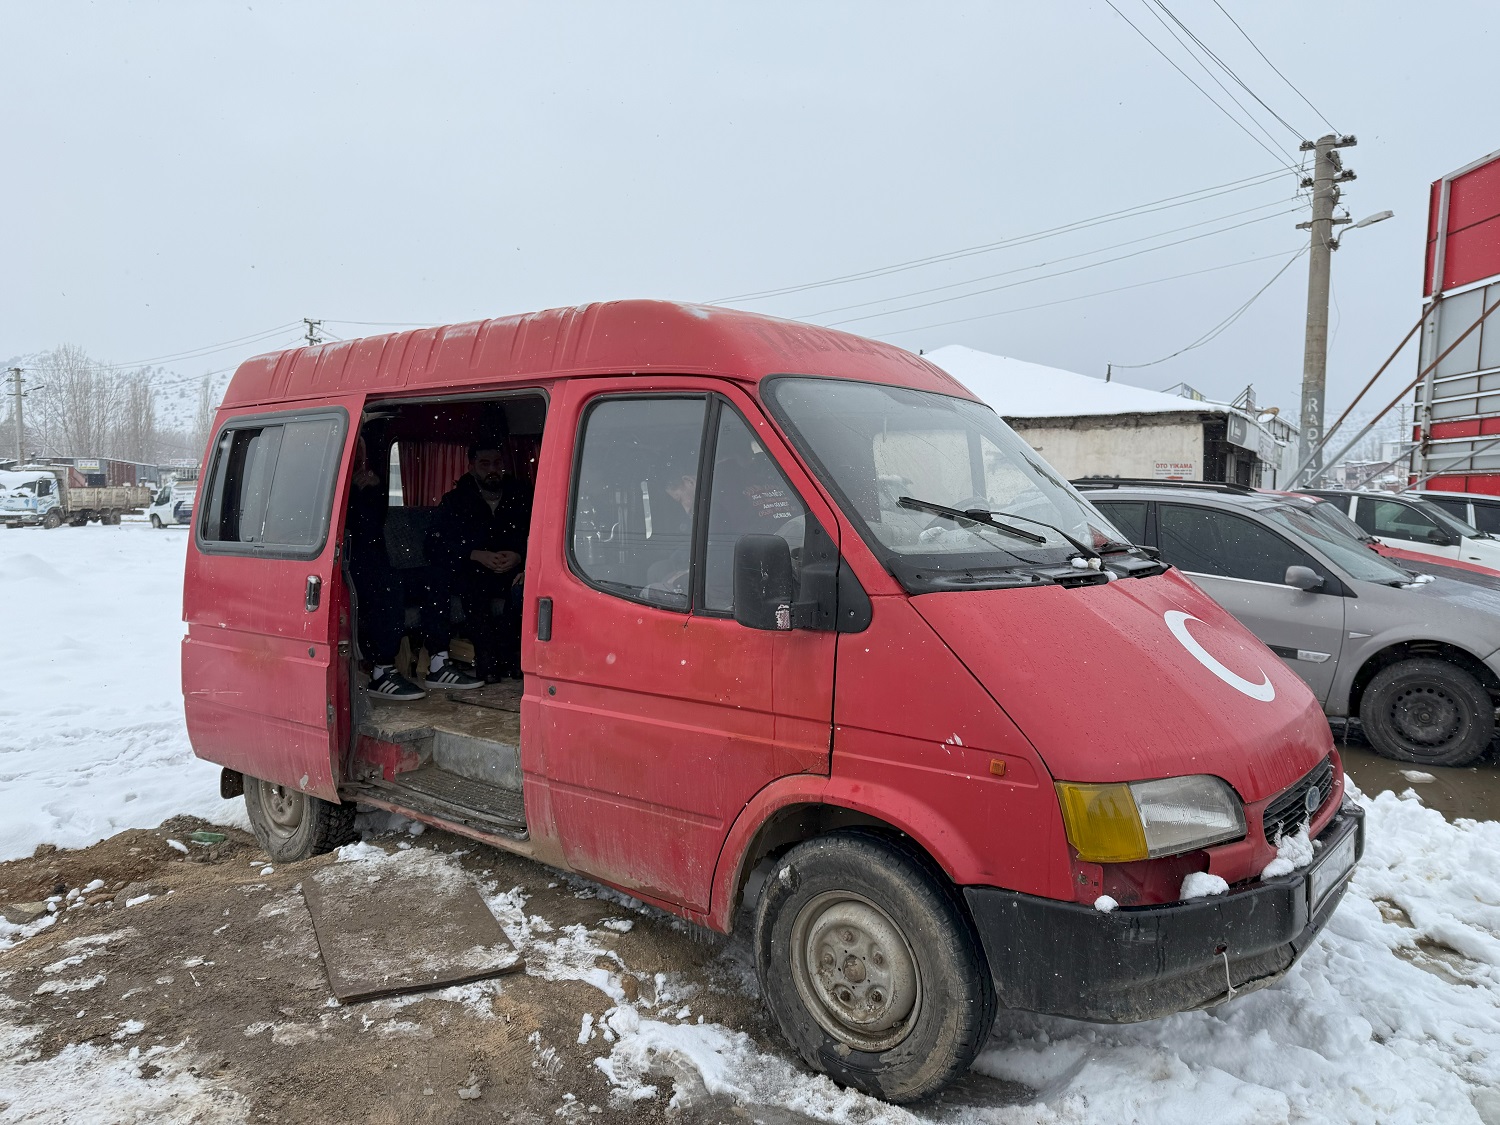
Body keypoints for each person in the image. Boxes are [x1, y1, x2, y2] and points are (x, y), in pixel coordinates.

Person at [423, 441, 533, 683]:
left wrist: (521, 558)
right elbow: (434, 544)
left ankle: (514, 659)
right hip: (472, 569)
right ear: (472, 467)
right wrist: (475, 554)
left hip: (514, 569)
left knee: (524, 591)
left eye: (497, 463)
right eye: (485, 464)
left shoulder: (522, 495)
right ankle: (488, 662)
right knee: (474, 590)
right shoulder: (455, 500)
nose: (492, 469)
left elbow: (540, 533)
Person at [346, 437, 426, 701]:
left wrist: (375, 489)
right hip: (345, 562)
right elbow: (355, 527)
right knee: (386, 583)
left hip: (373, 558)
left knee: (431, 576)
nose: (357, 459)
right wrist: (358, 492)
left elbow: (374, 525)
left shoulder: (369, 483)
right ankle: (382, 669)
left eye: (360, 454)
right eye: (353, 453)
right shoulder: (333, 485)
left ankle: (438, 661)